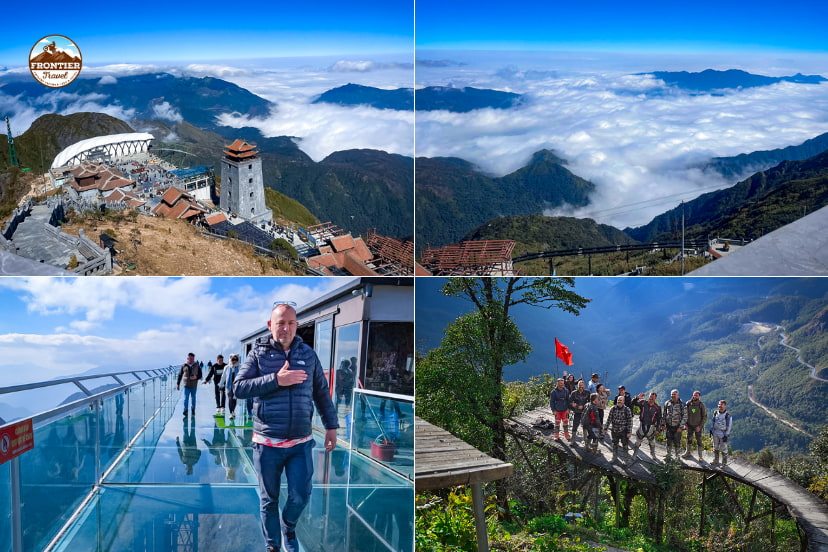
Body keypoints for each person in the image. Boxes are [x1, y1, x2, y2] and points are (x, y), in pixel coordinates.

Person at [234, 302, 338, 552]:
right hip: (266, 443)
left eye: (291, 323)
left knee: (301, 495)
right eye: (280, 322)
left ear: (297, 325)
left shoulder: (309, 355)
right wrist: (276, 380)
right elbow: (238, 388)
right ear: (270, 325)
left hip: (300, 443)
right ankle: (273, 546)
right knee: (269, 500)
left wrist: (331, 426)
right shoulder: (257, 355)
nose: (286, 328)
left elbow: (322, 394)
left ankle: (288, 527)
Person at [632, 392, 662, 460]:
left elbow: (659, 419)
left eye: (652, 397)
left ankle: (653, 454)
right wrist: (637, 398)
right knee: (637, 441)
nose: (651, 398)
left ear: (655, 398)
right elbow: (633, 403)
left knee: (652, 442)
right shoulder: (643, 403)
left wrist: (658, 429)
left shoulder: (657, 407)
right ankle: (635, 453)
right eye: (650, 397)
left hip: (651, 427)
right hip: (642, 425)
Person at [604, 395, 633, 463]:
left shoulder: (627, 410)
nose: (619, 401)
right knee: (614, 444)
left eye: (621, 400)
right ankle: (614, 457)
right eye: (618, 400)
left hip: (623, 430)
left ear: (624, 401)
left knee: (625, 445)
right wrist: (605, 428)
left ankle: (625, 459)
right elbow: (609, 419)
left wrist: (629, 432)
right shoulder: (613, 408)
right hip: (614, 430)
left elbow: (630, 421)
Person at [662, 389, 687, 459]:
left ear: (677, 395)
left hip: (677, 427)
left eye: (674, 394)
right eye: (672, 394)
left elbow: (685, 416)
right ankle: (668, 455)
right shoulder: (667, 403)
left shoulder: (682, 404)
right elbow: (664, 414)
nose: (673, 396)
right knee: (668, 441)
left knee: (677, 442)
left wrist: (681, 427)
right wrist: (663, 425)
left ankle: (677, 456)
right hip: (669, 426)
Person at [683, 390, 707, 461]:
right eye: (694, 395)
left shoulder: (701, 405)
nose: (694, 396)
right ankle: (687, 452)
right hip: (689, 425)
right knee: (689, 439)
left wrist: (700, 426)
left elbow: (704, 416)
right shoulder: (688, 403)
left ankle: (700, 456)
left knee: (699, 441)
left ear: (699, 396)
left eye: (696, 395)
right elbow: (684, 414)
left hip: (697, 427)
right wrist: (685, 424)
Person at [177, 353, 202, 417]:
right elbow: (180, 375)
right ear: (187, 358)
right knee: (186, 398)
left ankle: (193, 409)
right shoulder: (184, 365)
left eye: (192, 358)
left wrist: (196, 377)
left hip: (194, 385)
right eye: (189, 358)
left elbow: (200, 375)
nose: (191, 360)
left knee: (193, 398)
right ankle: (185, 410)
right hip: (186, 385)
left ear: (194, 358)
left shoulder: (197, 365)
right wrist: (178, 384)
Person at [710, 400, 732, 466]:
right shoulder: (715, 413)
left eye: (722, 405)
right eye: (719, 404)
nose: (720, 406)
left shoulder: (727, 415)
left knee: (724, 448)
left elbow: (729, 426)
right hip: (715, 432)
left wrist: (726, 435)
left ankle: (724, 463)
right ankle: (716, 460)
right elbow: (713, 421)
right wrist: (711, 429)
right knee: (715, 446)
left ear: (725, 406)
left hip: (723, 433)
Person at [220, 354, 242, 420]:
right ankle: (231, 413)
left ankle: (233, 411)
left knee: (234, 399)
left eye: (236, 359)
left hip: (236, 386)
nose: (234, 361)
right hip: (228, 386)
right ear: (230, 359)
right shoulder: (227, 367)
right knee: (230, 399)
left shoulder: (240, 367)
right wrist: (220, 384)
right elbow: (223, 376)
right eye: (233, 359)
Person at [569, 379, 591, 444]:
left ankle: (585, 440)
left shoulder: (587, 392)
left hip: (585, 412)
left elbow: (590, 402)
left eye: (582, 385)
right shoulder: (573, 393)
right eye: (579, 385)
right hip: (577, 412)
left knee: (585, 426)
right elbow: (570, 402)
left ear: (584, 385)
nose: (581, 387)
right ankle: (573, 439)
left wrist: (584, 406)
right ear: (577, 386)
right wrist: (575, 406)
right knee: (575, 425)